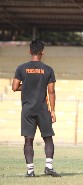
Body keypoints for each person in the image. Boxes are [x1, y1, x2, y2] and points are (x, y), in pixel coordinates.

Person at [12, 40, 60, 177]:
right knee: (48, 138)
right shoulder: (48, 69)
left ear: (29, 51)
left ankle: (30, 171)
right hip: (43, 109)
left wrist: (26, 86)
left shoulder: (21, 68)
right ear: (42, 52)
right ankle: (49, 167)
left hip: (27, 109)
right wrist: (53, 110)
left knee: (28, 139)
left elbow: (14, 87)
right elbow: (51, 92)